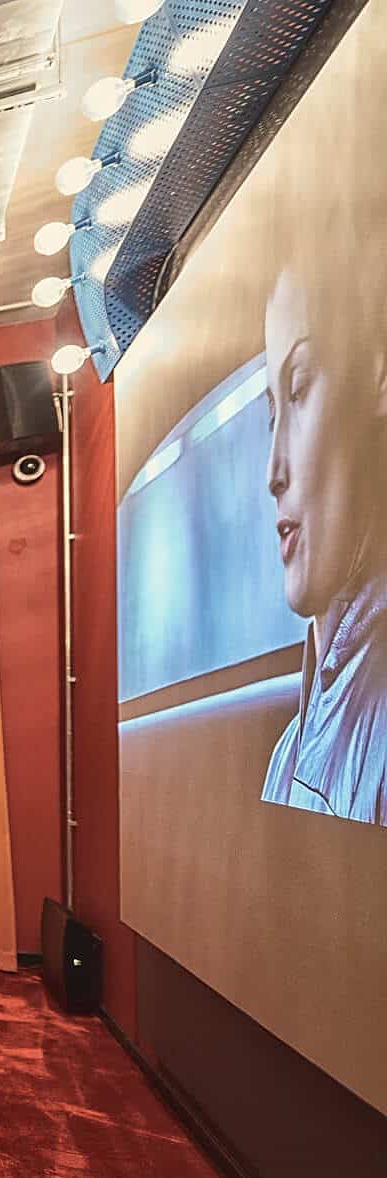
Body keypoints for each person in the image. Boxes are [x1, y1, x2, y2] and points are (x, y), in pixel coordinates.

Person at [259, 246, 387, 824]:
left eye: (300, 387)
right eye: (270, 414)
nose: (273, 472)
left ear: (378, 379)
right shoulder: (289, 750)